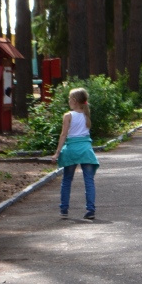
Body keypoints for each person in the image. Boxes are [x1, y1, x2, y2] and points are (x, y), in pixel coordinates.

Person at [52, 87, 100, 219]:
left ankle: (64, 210)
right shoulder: (86, 115)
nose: (68, 101)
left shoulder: (68, 116)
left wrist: (57, 153)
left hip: (72, 150)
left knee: (67, 180)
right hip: (86, 150)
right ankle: (91, 210)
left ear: (73, 101)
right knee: (89, 180)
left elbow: (63, 135)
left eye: (69, 99)